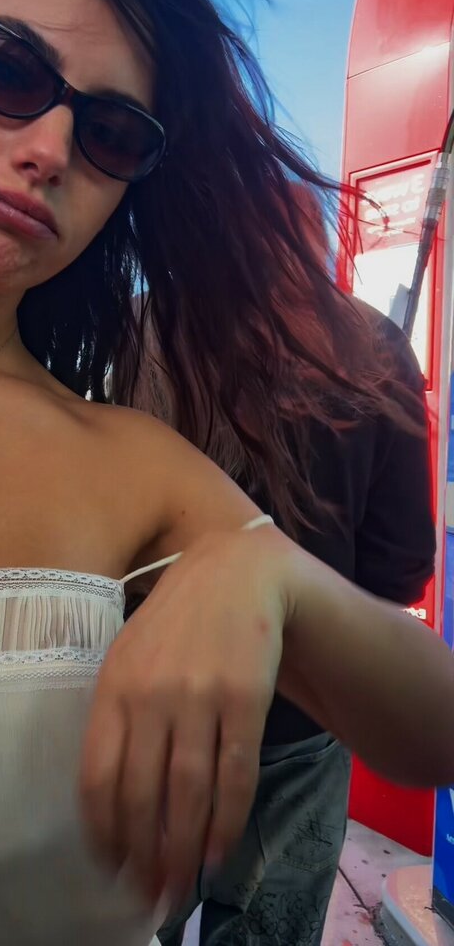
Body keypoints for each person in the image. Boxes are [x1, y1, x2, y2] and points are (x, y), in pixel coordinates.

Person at [0, 0, 451, 944]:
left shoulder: (131, 461)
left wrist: (270, 577)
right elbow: (403, 558)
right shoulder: (348, 349)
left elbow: (434, 727)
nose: (47, 151)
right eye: (3, 68)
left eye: (112, 133)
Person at [120, 185, 435, 945]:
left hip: (151, 703)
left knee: (130, 923)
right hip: (304, 719)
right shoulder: (371, 346)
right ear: (311, 238)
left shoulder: (134, 331)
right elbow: (399, 568)